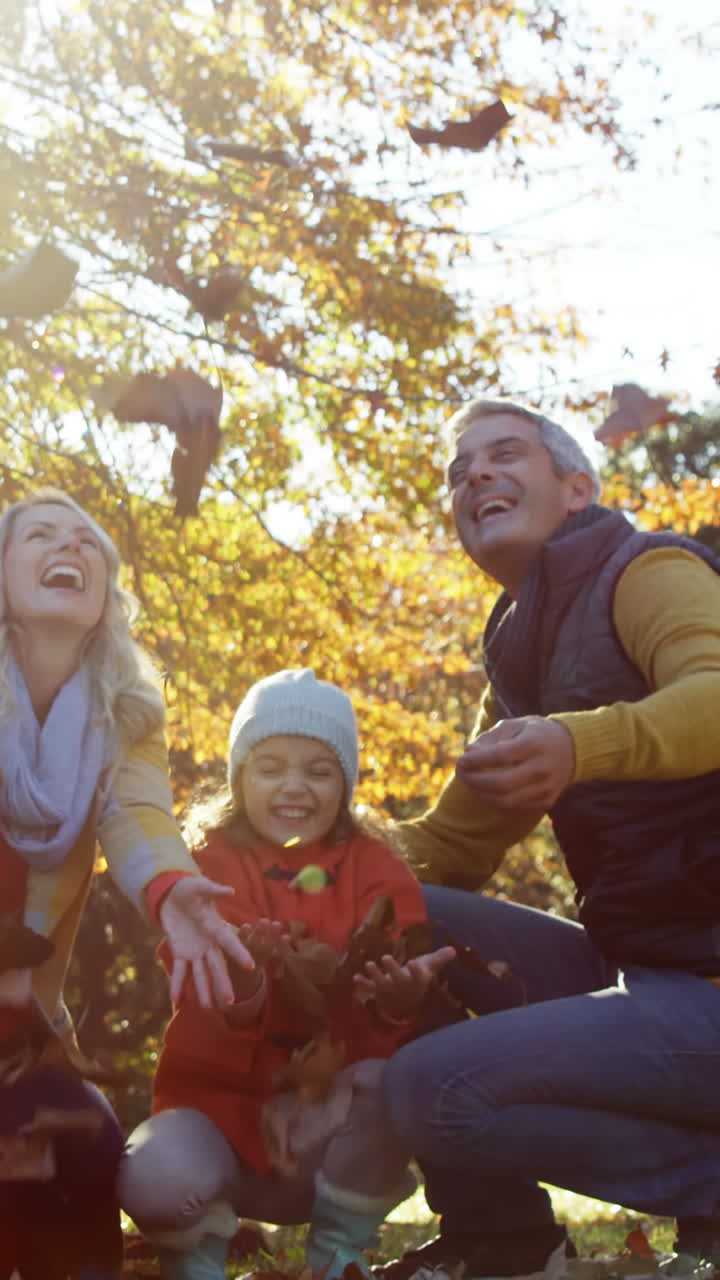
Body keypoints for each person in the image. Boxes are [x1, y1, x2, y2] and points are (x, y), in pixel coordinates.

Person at [373, 399, 720, 1280]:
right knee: (388, 909)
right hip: (651, 973)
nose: (473, 476)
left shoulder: (649, 571)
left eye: (502, 456)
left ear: (577, 489)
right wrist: (293, 864)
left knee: (428, 1089)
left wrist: (579, 744)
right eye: (459, 471)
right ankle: (510, 1247)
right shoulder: (518, 655)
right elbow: (447, 844)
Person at [119, 667, 456, 1280]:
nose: (293, 787)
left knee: (396, 1077)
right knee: (153, 1176)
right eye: (270, 767)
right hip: (219, 1113)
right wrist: (250, 977)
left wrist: (399, 998)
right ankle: (195, 1251)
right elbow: (210, 997)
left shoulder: (376, 869)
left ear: (345, 784)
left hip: (327, 1130)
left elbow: (386, 982)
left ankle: (338, 1248)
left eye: (319, 770)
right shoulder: (208, 867)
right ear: (240, 776)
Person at [0, 489, 255, 1280]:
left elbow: (139, 814)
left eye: (88, 545)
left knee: (81, 1140)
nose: (67, 548)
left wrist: (173, 889)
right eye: (39, 534)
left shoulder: (127, 715)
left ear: (105, 594)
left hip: (18, 1029)